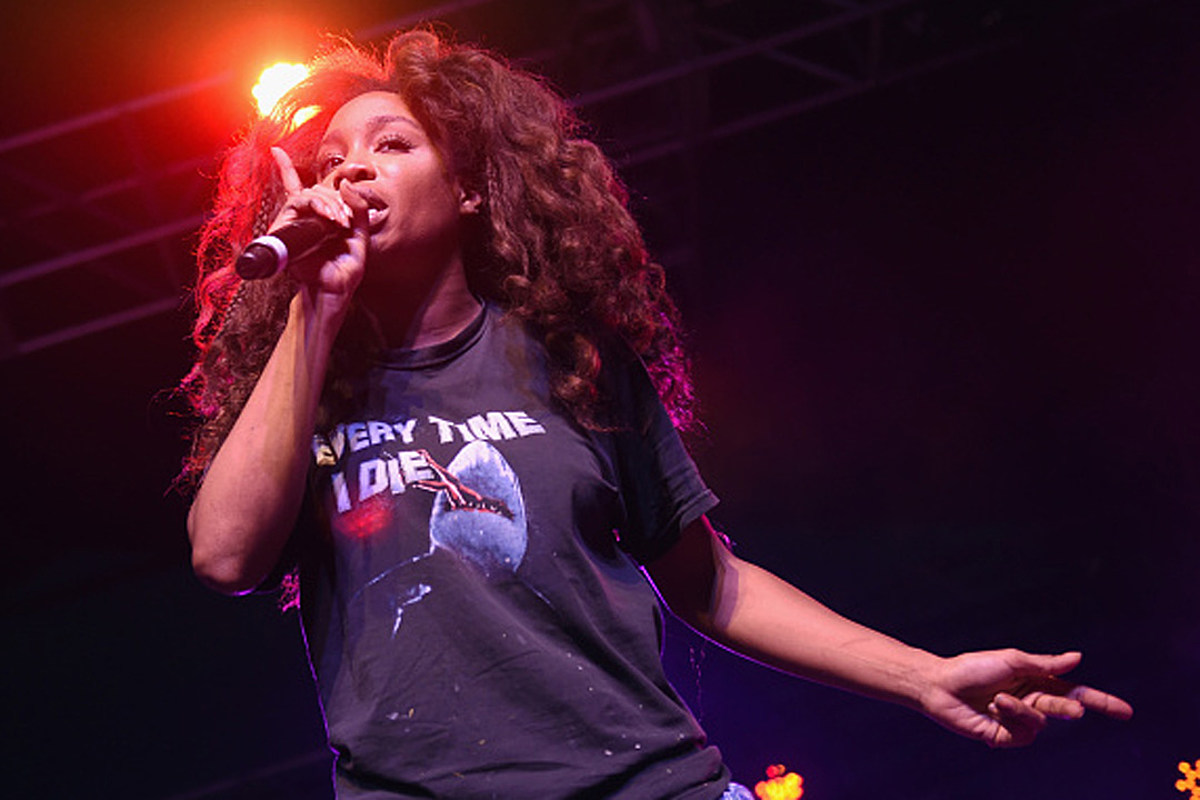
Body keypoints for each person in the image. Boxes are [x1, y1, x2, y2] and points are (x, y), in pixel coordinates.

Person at [181, 28, 1133, 800]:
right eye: (329, 160)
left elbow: (710, 583)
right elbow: (225, 557)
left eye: (391, 145)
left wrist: (921, 674)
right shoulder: (302, 391)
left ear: (468, 186)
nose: (351, 174)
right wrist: (315, 311)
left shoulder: (569, 361)